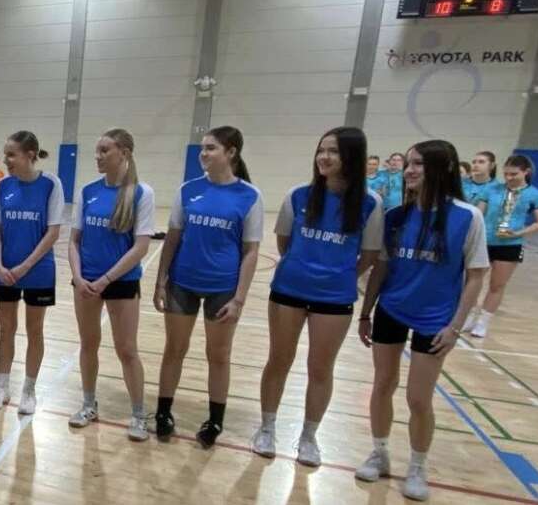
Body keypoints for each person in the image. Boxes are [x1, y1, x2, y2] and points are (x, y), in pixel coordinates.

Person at [355, 140, 488, 501]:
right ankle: (379, 452)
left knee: (418, 398)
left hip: (436, 319)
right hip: (391, 310)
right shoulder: (396, 217)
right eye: (408, 164)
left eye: (418, 164)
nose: (409, 171)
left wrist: (455, 326)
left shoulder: (467, 217)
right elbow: (381, 269)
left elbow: (476, 276)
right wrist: (366, 312)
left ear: (442, 169)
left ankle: (417, 466)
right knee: (383, 385)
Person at [251, 127, 383, 464]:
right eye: (321, 150)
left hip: (334, 299)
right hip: (288, 290)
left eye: (333, 151)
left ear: (351, 156)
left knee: (321, 368)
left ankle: (309, 437)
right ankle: (267, 428)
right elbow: (284, 242)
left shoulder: (370, 203)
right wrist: (303, 267)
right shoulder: (298, 195)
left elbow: (369, 255)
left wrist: (338, 275)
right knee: (279, 359)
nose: (324, 157)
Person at [152, 126, 261, 448]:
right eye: (203, 148)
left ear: (231, 152)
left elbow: (251, 251)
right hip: (182, 283)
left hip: (223, 289)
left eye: (211, 148)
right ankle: (163, 413)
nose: (204, 154)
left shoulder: (250, 196)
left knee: (219, 355)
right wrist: (160, 281)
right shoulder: (188, 190)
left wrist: (239, 299)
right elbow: (172, 239)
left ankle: (215, 421)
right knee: (174, 349)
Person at [68, 128, 155, 441]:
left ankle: (138, 415)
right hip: (86, 282)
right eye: (97, 150)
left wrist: (106, 279)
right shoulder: (87, 191)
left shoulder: (142, 193)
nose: (98, 156)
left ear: (124, 153)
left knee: (127, 349)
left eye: (105, 150)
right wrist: (79, 277)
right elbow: (74, 240)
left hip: (121, 282)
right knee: (88, 344)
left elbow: (141, 247)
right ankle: (88, 404)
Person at [0, 131, 64, 415]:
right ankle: (2, 386)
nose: (6, 160)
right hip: (5, 270)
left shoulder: (51, 184)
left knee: (35, 330)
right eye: (5, 154)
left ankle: (29, 391)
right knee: (6, 329)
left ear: (30, 155)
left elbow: (52, 232)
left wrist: (24, 267)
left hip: (38, 271)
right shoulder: (4, 185)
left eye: (11, 155)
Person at [463, 155, 538, 338]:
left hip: (510, 244)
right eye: (506, 174)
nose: (509, 178)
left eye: (514, 174)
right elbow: (478, 213)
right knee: (473, 280)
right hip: (484, 242)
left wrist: (518, 233)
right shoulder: (491, 189)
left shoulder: (535, 194)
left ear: (526, 172)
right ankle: (468, 317)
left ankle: (483, 322)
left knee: (497, 284)